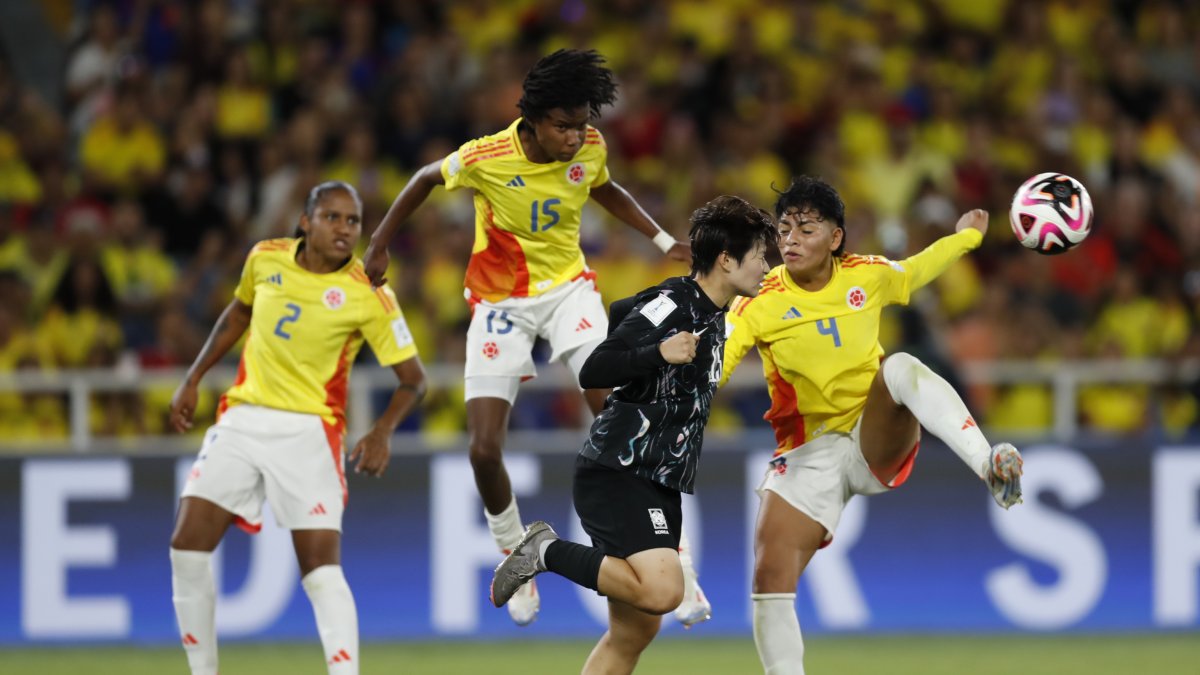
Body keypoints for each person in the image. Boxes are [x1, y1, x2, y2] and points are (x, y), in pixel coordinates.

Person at [362, 48, 708, 626]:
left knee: (621, 416)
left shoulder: (590, 147)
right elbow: (424, 178)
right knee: (482, 448)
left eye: (582, 124)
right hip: (501, 306)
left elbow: (604, 186)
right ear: (533, 119)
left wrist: (660, 239)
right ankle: (513, 551)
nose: (576, 137)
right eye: (564, 126)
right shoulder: (486, 156)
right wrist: (378, 243)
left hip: (569, 291)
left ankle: (676, 557)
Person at [720, 176, 1024, 674]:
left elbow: (915, 270)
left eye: (806, 229)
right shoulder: (758, 300)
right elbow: (723, 360)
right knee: (769, 577)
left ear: (835, 238)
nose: (791, 240)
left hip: (873, 433)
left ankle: (988, 465)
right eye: (785, 229)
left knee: (900, 366)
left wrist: (966, 237)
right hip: (807, 454)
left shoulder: (867, 274)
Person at [490, 195, 777, 673]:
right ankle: (543, 550)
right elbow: (595, 369)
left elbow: (626, 308)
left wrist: (642, 329)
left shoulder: (709, 309)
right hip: (619, 470)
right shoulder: (676, 304)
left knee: (634, 631)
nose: (766, 266)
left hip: (657, 480)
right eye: (759, 256)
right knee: (664, 591)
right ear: (726, 260)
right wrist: (657, 353)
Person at [168, 181, 427, 675]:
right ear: (306, 220)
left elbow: (413, 380)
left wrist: (381, 431)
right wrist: (193, 377)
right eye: (332, 217)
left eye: (353, 221)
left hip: (311, 432)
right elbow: (238, 311)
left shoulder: (368, 291)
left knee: (320, 570)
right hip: (242, 420)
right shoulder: (265, 257)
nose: (345, 229)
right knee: (186, 547)